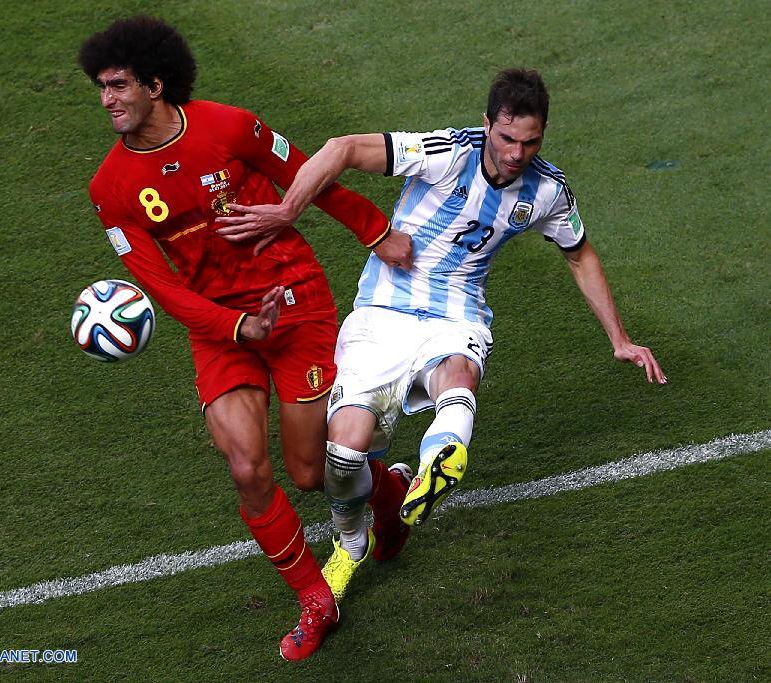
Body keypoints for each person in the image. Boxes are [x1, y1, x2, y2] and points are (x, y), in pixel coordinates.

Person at [216, 68, 667, 600]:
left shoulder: (547, 190)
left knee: (458, 374)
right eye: (506, 139)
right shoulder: (447, 152)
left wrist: (619, 337)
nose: (517, 153)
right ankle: (352, 542)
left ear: (542, 135)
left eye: (530, 142)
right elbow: (340, 148)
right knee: (342, 455)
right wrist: (289, 209)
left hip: (457, 314)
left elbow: (579, 253)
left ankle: (442, 458)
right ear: (486, 125)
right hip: (383, 311)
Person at [77, 16, 412, 661]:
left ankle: (386, 490)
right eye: (101, 87)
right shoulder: (110, 189)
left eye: (119, 85)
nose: (108, 99)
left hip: (293, 304)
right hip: (220, 328)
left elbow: (309, 176)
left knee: (311, 473)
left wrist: (375, 230)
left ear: (155, 83)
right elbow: (163, 289)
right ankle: (315, 599)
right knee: (246, 468)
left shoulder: (228, 127)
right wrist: (234, 326)